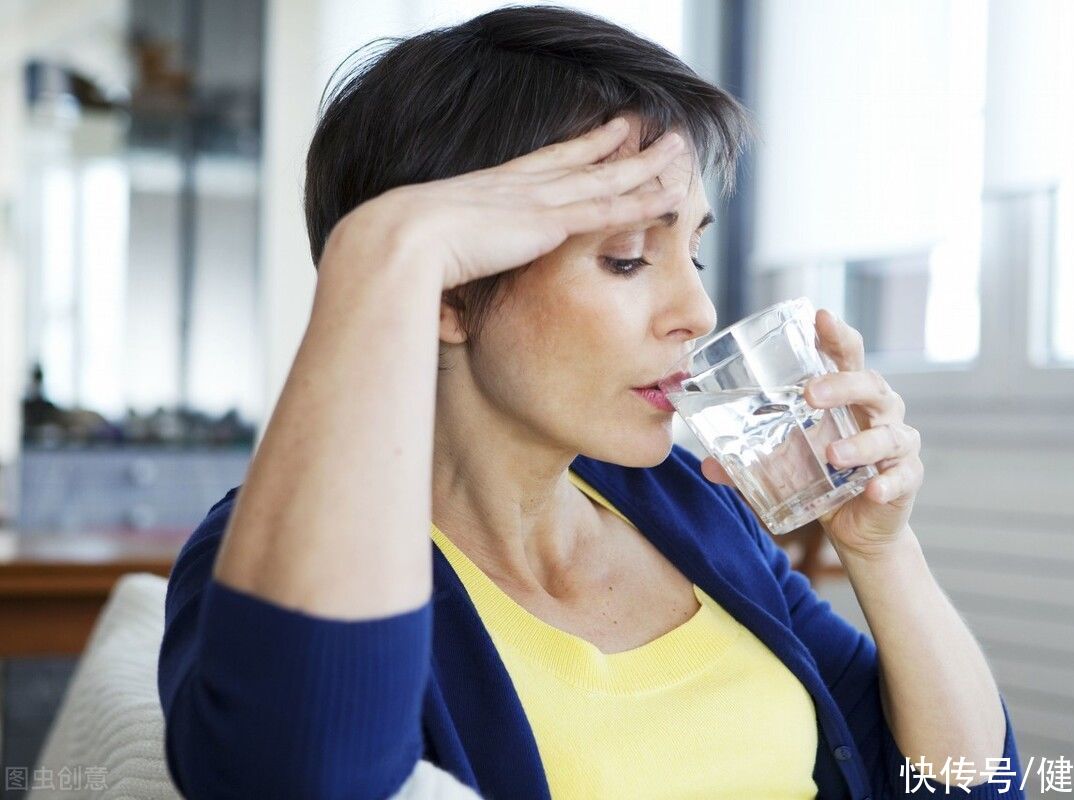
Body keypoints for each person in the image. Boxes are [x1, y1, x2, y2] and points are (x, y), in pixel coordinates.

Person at [157, 6, 1024, 799]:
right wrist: (379, 251)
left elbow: (965, 788)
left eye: (693, 253)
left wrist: (881, 548)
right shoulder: (278, 552)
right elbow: (300, 778)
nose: (699, 312)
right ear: (448, 293)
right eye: (627, 257)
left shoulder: (692, 507)